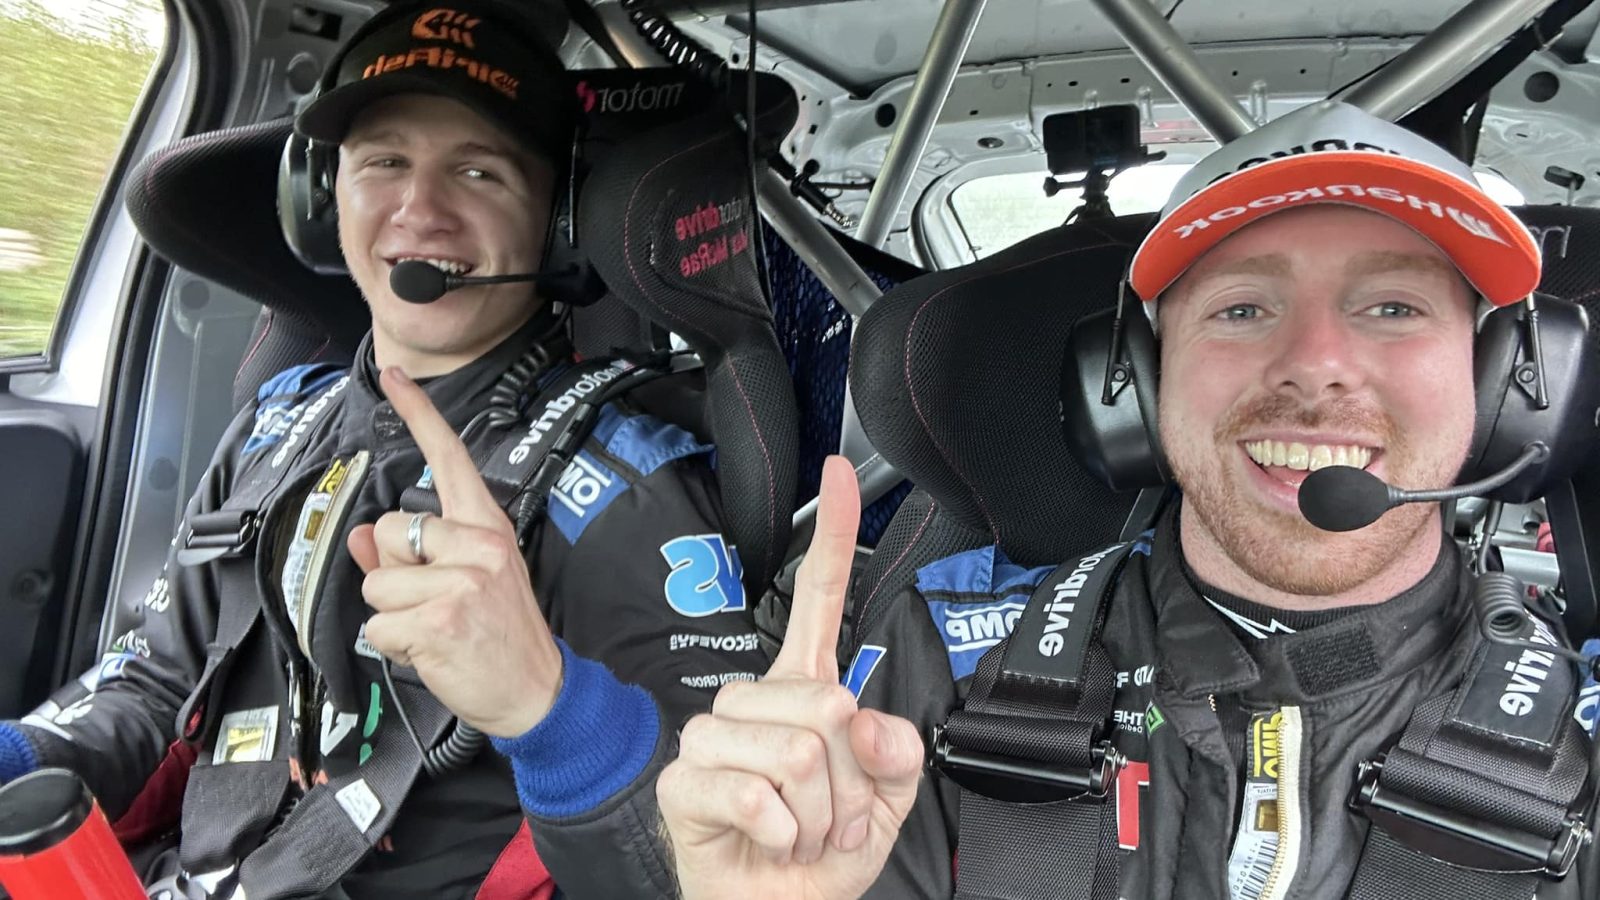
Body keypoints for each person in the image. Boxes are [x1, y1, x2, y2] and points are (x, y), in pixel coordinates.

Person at [648, 101, 1600, 898]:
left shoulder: (1585, 739)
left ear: (1508, 384)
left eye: (1393, 307)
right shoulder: (943, 670)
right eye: (1242, 308)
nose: (1316, 364)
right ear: (1134, 383)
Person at [0, 2, 765, 897]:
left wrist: (549, 704)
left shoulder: (623, 485)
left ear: (559, 218)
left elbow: (714, 855)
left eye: (477, 170)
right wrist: (19, 758)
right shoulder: (276, 425)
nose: (419, 210)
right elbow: (160, 685)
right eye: (383, 162)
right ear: (321, 202)